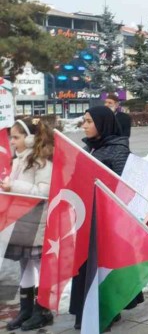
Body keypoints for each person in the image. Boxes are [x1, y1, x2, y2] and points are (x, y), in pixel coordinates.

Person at [69, 105, 132, 329]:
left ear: (102, 124)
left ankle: (103, 312)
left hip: (106, 221)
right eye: (84, 121)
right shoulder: (88, 149)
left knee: (102, 267)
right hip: (86, 218)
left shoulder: (118, 149)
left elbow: (124, 186)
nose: (84, 126)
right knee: (86, 266)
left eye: (89, 121)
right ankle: (85, 311)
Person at [2, 118, 55, 330]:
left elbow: (43, 192)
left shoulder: (41, 161)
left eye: (16, 137)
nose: (12, 142)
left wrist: (13, 186)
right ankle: (26, 309)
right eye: (11, 138)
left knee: (39, 266)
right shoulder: (18, 160)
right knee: (24, 264)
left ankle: (43, 310)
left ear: (30, 138)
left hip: (36, 222)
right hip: (21, 222)